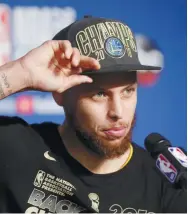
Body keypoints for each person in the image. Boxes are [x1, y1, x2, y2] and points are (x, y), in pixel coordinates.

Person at [0, 15, 186, 213]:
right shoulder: (14, 148)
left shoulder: (165, 181)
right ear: (60, 94)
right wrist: (21, 72)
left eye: (128, 91)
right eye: (99, 94)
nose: (118, 112)